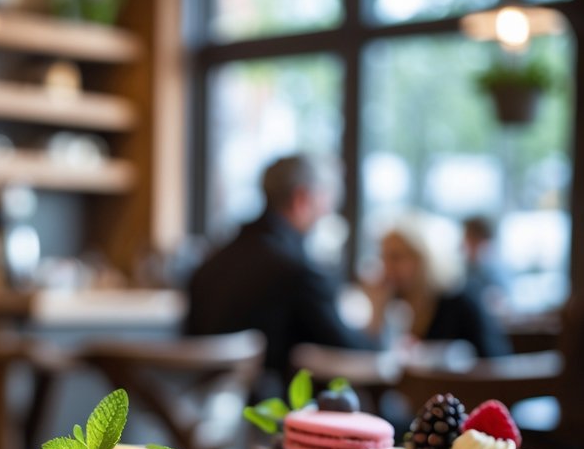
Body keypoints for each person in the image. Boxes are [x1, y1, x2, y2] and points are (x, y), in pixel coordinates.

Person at [186, 155, 375, 380]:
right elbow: (349, 348)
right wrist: (381, 328)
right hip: (267, 410)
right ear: (302, 199)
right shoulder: (295, 270)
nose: (327, 213)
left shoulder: (211, 263)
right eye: (325, 201)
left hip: (202, 404)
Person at [371, 213, 511, 358]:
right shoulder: (395, 304)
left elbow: (496, 365)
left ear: (425, 258)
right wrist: (377, 312)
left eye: (396, 258)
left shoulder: (460, 303)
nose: (386, 268)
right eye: (383, 258)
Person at [461, 215, 509, 312]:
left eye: (467, 238)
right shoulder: (466, 268)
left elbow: (500, 305)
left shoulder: (494, 270)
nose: (462, 243)